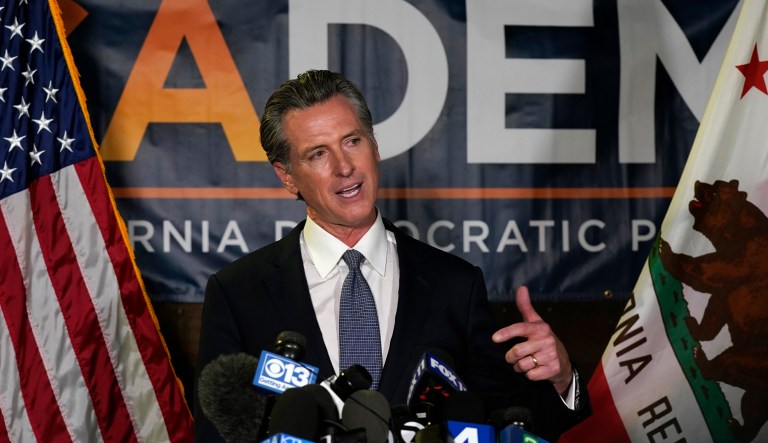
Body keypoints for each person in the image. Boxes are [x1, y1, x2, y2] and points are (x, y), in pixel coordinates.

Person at [194, 69, 590, 441]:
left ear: (374, 146)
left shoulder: (455, 285)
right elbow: (218, 432)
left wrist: (561, 381)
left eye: (352, 141)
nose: (344, 167)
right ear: (287, 176)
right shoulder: (238, 293)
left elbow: (503, 422)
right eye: (318, 154)